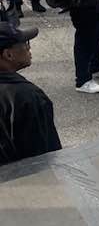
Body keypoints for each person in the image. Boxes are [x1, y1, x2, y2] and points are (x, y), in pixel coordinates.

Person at [0, 23, 61, 167]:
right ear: (8, 54)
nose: (29, 47)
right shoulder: (26, 98)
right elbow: (43, 157)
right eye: (24, 43)